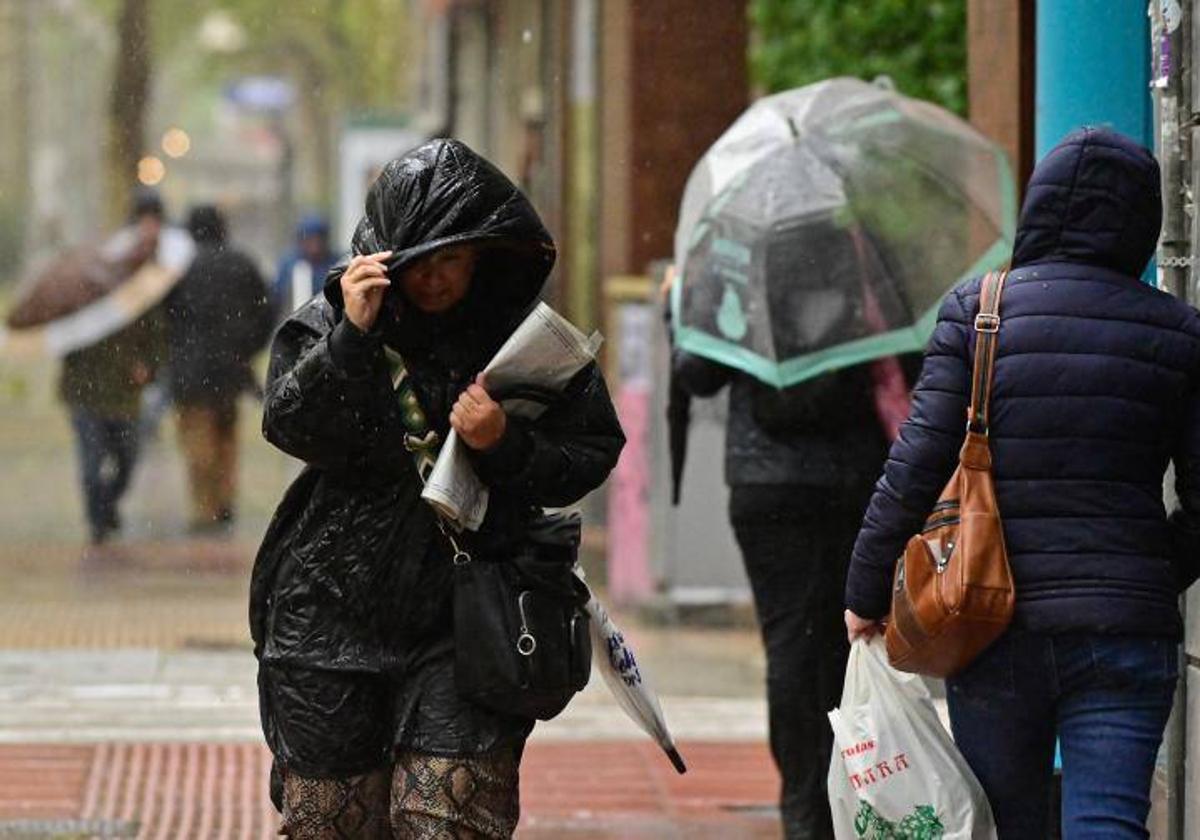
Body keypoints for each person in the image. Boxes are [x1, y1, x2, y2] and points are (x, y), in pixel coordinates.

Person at [250, 139, 624, 838]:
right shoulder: (333, 321)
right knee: (330, 820)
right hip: (330, 613)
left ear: (482, 252)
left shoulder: (521, 335)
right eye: (417, 263)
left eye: (450, 259)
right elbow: (289, 423)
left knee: (448, 816)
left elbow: (592, 447)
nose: (433, 281)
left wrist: (504, 444)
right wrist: (350, 342)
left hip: (468, 615)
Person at [845, 127, 1200, 839]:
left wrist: (863, 591)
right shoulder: (1180, 332)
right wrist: (1155, 574)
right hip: (1125, 623)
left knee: (1007, 822)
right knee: (1109, 823)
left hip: (992, 618)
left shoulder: (981, 314)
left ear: (1037, 209)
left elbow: (914, 464)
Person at [671, 306, 898, 836]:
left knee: (790, 642)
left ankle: (803, 805)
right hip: (853, 475)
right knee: (851, 639)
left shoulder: (737, 269)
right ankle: (851, 789)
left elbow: (696, 373)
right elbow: (908, 359)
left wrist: (684, 307)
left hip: (768, 478)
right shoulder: (860, 259)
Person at [59, 191, 167, 544]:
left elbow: (155, 334)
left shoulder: (140, 283)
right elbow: (65, 336)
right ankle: (97, 523)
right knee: (91, 465)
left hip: (125, 391)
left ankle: (107, 506)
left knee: (127, 460)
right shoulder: (78, 292)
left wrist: (148, 368)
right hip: (84, 390)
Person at [164, 205, 274, 532]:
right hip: (232, 371)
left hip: (190, 374)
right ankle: (225, 500)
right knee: (226, 438)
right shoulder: (243, 265)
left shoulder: (178, 270)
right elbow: (267, 311)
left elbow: (164, 320)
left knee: (198, 442)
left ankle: (205, 509)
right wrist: (247, 348)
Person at [272, 213, 338, 317]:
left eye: (319, 240)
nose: (315, 246)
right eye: (310, 240)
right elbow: (277, 297)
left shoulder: (335, 263)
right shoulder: (289, 265)